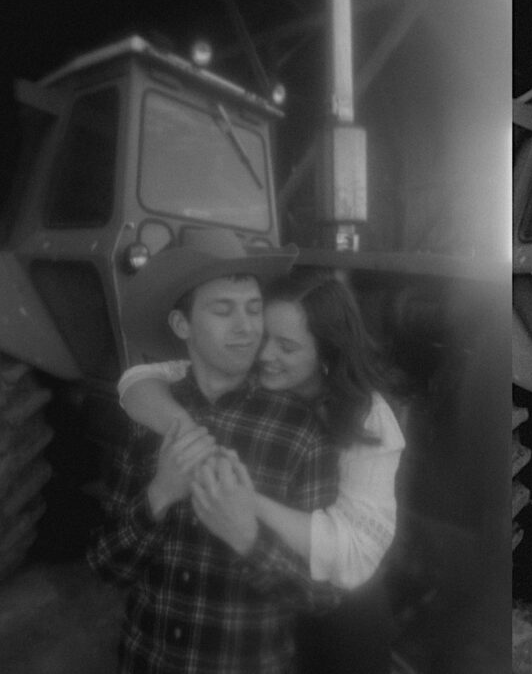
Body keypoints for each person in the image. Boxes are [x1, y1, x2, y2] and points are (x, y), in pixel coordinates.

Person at [115, 267, 406, 674]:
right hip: (261, 599)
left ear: (327, 351)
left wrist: (246, 505)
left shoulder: (366, 418)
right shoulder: (248, 378)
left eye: (286, 346)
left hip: (346, 593)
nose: (265, 353)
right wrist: (189, 439)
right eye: (264, 335)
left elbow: (355, 555)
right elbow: (139, 380)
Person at [88, 228, 343, 673]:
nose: (247, 329)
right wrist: (160, 495)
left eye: (254, 309)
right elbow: (105, 565)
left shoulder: (301, 434)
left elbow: (322, 595)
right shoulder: (148, 419)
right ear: (182, 325)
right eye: (223, 311)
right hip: (146, 660)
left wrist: (248, 539)